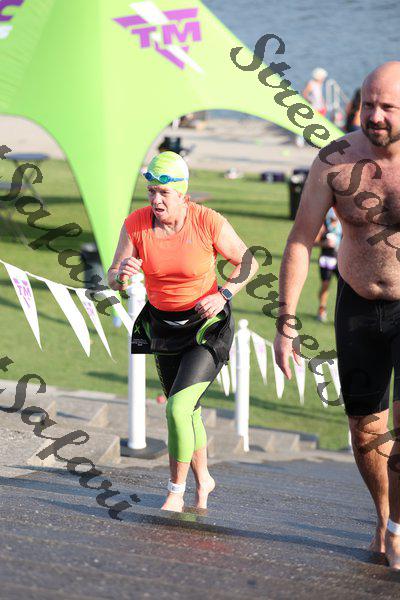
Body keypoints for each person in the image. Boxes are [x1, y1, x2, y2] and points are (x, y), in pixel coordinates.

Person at [273, 62, 400, 570]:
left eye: (388, 107)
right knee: (366, 430)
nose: (375, 116)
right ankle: (384, 516)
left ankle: (397, 529)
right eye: (368, 104)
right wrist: (286, 321)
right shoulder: (334, 160)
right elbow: (300, 240)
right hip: (358, 305)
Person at [108, 151, 258, 513]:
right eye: (151, 192)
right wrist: (121, 274)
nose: (156, 200)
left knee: (176, 408)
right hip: (163, 327)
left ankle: (175, 491)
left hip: (206, 327)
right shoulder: (136, 224)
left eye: (164, 193)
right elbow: (113, 277)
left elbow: (248, 261)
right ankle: (204, 479)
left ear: (183, 195)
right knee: (188, 412)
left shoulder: (206, 221)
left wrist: (224, 294)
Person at [315, 207, 342, 322]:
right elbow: (314, 242)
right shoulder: (324, 225)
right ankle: (322, 308)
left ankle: (341, 313)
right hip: (326, 259)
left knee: (343, 287)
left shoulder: (343, 225)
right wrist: (324, 244)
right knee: (325, 284)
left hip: (340, 260)